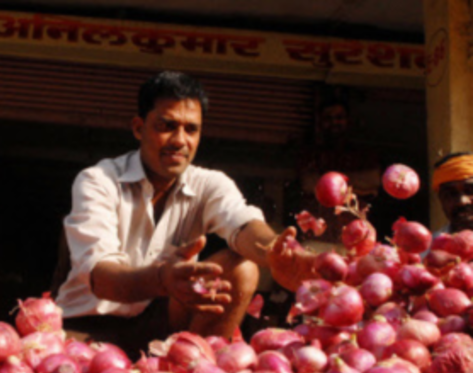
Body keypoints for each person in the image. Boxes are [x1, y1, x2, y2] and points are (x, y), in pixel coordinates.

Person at [55, 71, 315, 357]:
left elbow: (241, 223)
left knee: (242, 268)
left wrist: (274, 252)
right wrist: (162, 279)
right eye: (167, 126)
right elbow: (103, 278)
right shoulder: (98, 180)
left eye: (191, 130)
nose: (180, 140)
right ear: (138, 128)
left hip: (162, 325)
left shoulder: (209, 183)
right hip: (86, 326)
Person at [293, 95, 383, 247]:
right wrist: (355, 188)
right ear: (320, 123)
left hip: (357, 242)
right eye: (328, 118)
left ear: (348, 121)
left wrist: (329, 188)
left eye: (339, 117)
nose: (334, 122)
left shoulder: (363, 154)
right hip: (318, 241)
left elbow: (373, 181)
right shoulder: (311, 153)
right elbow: (308, 184)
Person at [432, 152, 473, 233]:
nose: (462, 201)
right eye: (451, 194)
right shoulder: (432, 244)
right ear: (441, 200)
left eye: (470, 191)